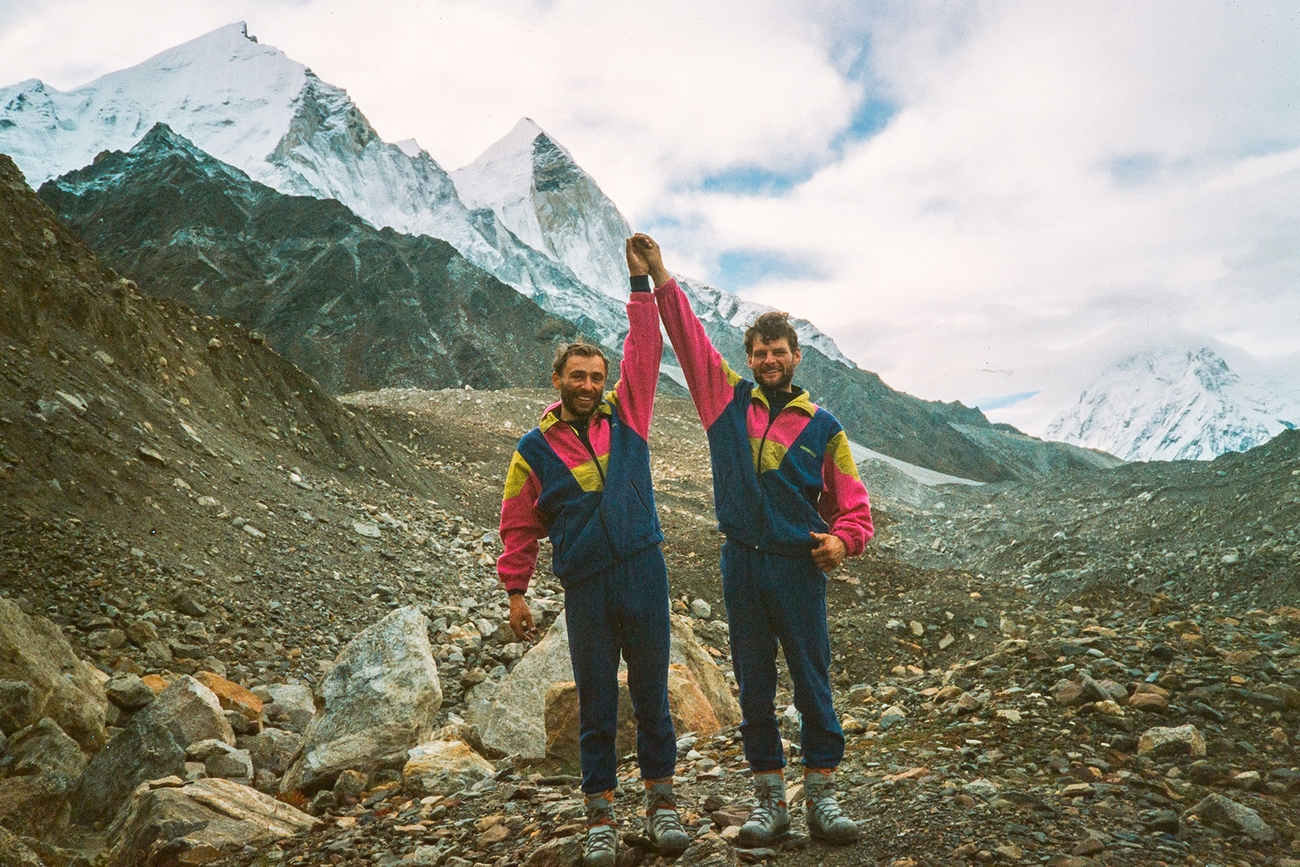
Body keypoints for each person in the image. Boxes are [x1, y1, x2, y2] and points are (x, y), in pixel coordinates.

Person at [636, 233, 873, 846]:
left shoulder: (825, 429)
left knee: (812, 680)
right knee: (756, 685)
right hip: (741, 562)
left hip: (797, 567)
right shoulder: (725, 403)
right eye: (760, 353)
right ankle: (771, 803)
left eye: (779, 352)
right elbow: (689, 342)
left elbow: (854, 505)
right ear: (750, 357)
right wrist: (660, 274)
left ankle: (822, 797)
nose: (769, 360)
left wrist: (843, 543)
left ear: (797, 357)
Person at [496, 240, 690, 867]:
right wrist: (516, 591)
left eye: (596, 377)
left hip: (642, 571)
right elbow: (518, 523)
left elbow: (646, 351)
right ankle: (600, 814)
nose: (587, 385)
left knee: (654, 695)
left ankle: (662, 803)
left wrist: (641, 283)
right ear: (557, 381)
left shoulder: (629, 415)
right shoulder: (533, 448)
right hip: (586, 586)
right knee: (597, 701)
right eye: (576, 377)